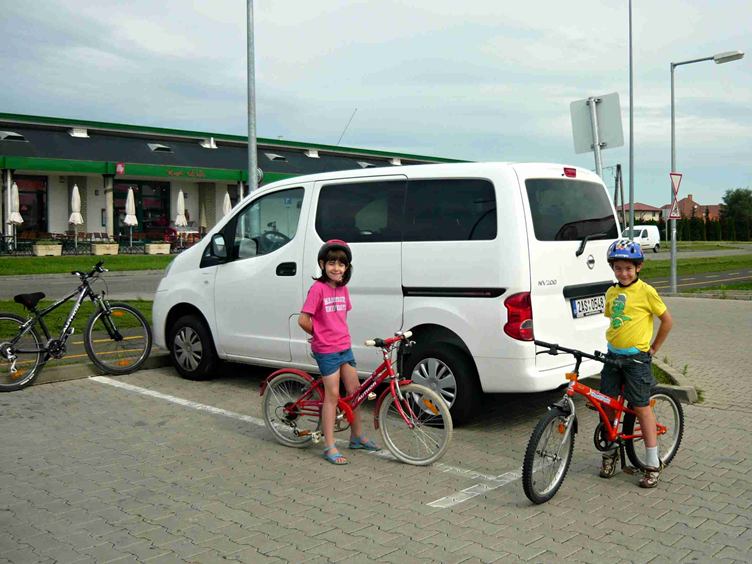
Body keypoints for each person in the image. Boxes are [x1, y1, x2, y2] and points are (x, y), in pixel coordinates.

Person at [599, 238, 673, 488]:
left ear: (638, 267)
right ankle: (610, 454)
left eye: (629, 268)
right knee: (607, 405)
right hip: (612, 357)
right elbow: (614, 319)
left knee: (641, 407)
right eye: (618, 268)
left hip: (636, 360)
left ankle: (652, 463)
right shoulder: (611, 292)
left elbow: (667, 321)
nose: (623, 273)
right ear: (612, 268)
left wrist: (654, 348)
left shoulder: (646, 292)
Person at [298, 239, 380, 465]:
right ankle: (329, 446)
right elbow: (303, 320)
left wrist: (337, 335)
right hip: (327, 350)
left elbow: (340, 318)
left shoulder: (343, 289)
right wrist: (321, 335)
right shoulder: (318, 289)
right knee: (332, 396)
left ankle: (357, 437)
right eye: (332, 263)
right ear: (322, 264)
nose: (336, 268)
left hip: (344, 347)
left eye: (341, 264)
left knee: (355, 392)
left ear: (347, 268)